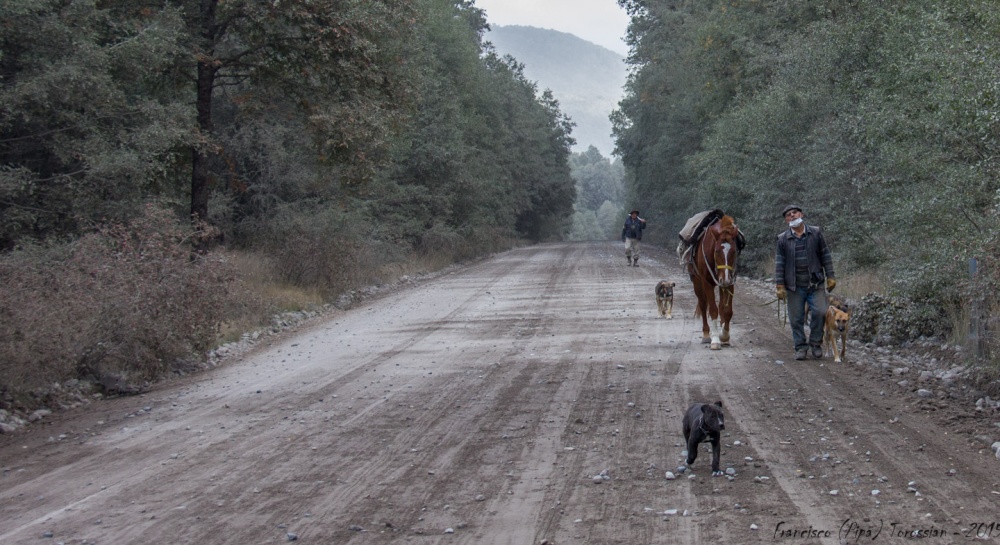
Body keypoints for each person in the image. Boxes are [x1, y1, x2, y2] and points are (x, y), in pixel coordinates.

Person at [775, 205, 836, 361]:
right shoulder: (782, 239)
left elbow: (825, 255)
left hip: (815, 284)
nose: (792, 216)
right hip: (794, 286)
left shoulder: (815, 232)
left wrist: (830, 276)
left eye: (794, 213)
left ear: (801, 214)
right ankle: (801, 347)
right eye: (788, 215)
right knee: (796, 318)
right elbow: (780, 263)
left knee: (820, 312)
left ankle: (815, 344)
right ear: (786, 220)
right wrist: (780, 286)